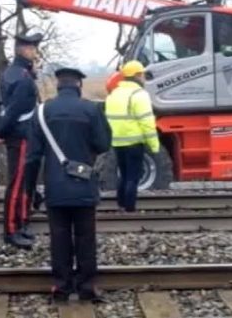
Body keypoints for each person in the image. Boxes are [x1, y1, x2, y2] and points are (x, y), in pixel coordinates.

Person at [23, 67, 111, 303]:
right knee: (86, 237)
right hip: (84, 186)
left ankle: (61, 288)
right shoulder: (91, 109)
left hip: (55, 187)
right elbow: (103, 144)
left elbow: (32, 157)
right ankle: (86, 287)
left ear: (58, 86)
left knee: (59, 237)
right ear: (79, 85)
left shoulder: (42, 112)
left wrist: (30, 191)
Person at [0, 32, 43, 249]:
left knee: (23, 183)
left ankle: (21, 224)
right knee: (17, 184)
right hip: (20, 135)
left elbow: (2, 105)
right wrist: (0, 132)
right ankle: (11, 230)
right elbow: (13, 110)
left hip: (21, 134)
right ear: (23, 50)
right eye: (32, 48)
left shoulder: (17, 73)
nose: (35, 52)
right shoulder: (21, 77)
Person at [103, 60, 160, 212]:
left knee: (123, 174)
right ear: (137, 75)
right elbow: (147, 122)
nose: (143, 78)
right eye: (142, 74)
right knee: (133, 177)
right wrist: (154, 145)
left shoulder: (113, 94)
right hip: (134, 142)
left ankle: (121, 204)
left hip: (118, 143)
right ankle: (130, 208)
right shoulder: (139, 95)